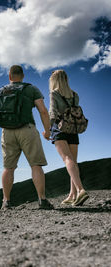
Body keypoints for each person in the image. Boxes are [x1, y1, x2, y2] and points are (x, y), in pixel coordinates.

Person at [0, 65, 53, 210]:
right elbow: (43, 111)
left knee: (8, 168)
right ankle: (42, 200)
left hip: (6, 132)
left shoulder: (0, 91)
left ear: (9, 76)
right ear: (23, 76)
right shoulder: (31, 89)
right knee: (35, 165)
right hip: (27, 129)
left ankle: (6, 202)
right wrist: (47, 131)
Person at [48, 69, 89, 206]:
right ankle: (72, 195)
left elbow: (52, 114)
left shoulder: (54, 93)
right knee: (73, 162)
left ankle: (80, 189)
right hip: (73, 129)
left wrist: (48, 130)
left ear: (54, 80)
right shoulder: (75, 95)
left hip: (59, 129)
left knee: (67, 159)